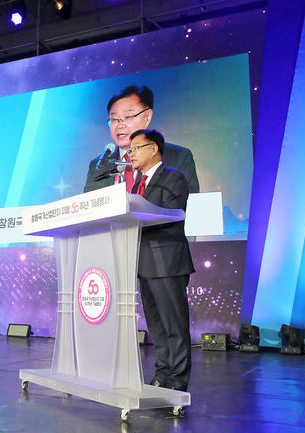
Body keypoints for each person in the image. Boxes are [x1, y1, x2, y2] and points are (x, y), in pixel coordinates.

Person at [128, 128, 195, 392]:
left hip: (167, 262)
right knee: (156, 326)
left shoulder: (173, 178)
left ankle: (178, 380)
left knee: (174, 324)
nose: (131, 154)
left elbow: (171, 215)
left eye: (136, 148)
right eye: (130, 150)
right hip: (144, 264)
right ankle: (162, 374)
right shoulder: (135, 185)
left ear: (153, 148)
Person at [83, 85, 199, 194]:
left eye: (128, 117)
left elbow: (188, 204)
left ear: (147, 117)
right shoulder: (98, 165)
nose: (120, 125)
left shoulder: (177, 157)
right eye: (114, 119)